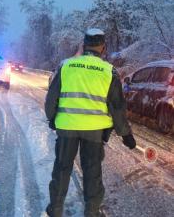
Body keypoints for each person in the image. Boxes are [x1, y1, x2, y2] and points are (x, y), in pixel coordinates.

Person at [44, 28, 136, 217]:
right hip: (94, 131)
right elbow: (117, 107)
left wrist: (52, 118)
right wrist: (125, 134)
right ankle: (92, 212)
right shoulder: (108, 71)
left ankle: (55, 210)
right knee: (92, 172)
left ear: (84, 45)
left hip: (67, 127)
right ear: (103, 47)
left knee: (61, 169)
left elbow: (51, 98)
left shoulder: (66, 66)